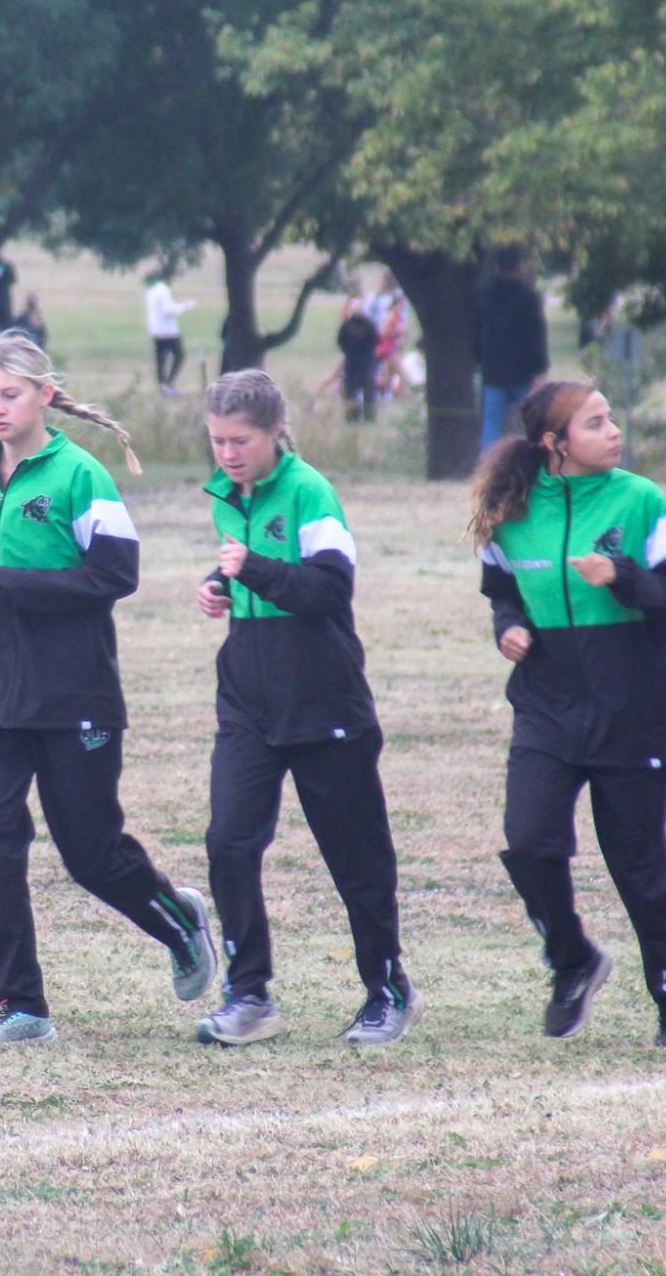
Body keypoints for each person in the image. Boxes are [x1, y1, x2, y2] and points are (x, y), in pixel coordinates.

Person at [0, 332, 217, 1043]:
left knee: (89, 853)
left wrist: (11, 584)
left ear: (44, 397)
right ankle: (22, 1006)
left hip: (72, 693)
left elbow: (115, 576)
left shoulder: (79, 476)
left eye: (9, 395)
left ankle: (176, 918)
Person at [470, 379, 666, 1046]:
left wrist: (623, 577)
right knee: (527, 842)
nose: (612, 432)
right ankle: (573, 960)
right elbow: (499, 589)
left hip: (633, 712)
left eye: (610, 419)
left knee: (637, 868)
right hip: (546, 708)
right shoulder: (510, 509)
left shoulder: (640, 501)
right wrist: (508, 626)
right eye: (594, 423)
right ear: (553, 444)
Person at [192, 370, 421, 1047]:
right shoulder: (225, 497)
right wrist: (217, 586)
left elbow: (328, 588)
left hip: (323, 698)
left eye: (240, 441)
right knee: (228, 841)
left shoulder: (310, 492)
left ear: (273, 434)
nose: (228, 454)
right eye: (217, 441)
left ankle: (386, 989)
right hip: (247, 703)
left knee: (355, 856)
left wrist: (248, 568)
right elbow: (247, 569)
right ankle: (249, 994)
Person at [475, 246, 550, 453]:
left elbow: (476, 332)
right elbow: (536, 334)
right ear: (519, 267)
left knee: (491, 422)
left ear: (496, 267)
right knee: (529, 421)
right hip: (522, 370)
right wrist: (539, 368)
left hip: (493, 370)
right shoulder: (528, 297)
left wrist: (480, 360)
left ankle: (488, 467)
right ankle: (533, 461)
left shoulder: (484, 296)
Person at [145, 269, 195, 395]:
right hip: (168, 331)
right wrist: (184, 306)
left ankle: (162, 385)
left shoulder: (152, 291)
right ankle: (169, 383)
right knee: (180, 355)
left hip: (156, 330)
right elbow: (168, 310)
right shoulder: (164, 290)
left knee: (161, 358)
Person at [337, 310, 381, 422]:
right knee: (351, 389)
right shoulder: (348, 327)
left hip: (366, 361)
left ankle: (369, 415)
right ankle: (352, 415)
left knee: (368, 389)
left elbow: (375, 341)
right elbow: (341, 342)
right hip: (353, 361)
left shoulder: (369, 326)